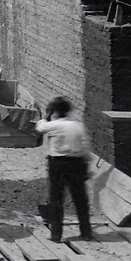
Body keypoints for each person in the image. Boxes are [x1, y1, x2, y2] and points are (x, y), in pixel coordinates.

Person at [35, 97, 94, 243]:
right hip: (77, 164)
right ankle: (86, 233)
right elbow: (86, 147)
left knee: (56, 198)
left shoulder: (54, 125)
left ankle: (56, 234)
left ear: (55, 111)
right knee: (80, 199)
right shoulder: (78, 126)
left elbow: (39, 128)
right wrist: (86, 167)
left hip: (58, 164)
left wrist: (47, 114)